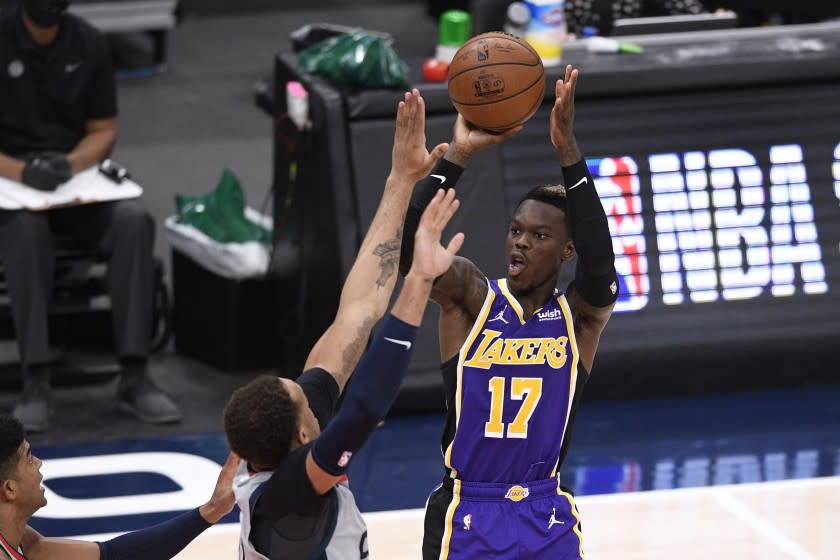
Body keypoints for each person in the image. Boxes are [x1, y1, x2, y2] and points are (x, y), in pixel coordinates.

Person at [223, 90, 458, 559]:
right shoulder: (290, 498)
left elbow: (357, 313)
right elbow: (365, 407)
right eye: (299, 397)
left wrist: (401, 179)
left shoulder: (276, 453)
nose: (305, 390)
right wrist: (417, 284)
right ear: (306, 435)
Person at [398, 65, 618, 559]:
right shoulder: (472, 297)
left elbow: (601, 265)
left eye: (539, 236)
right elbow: (410, 251)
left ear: (567, 251)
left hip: (547, 510)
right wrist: (459, 153)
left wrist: (568, 152)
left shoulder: (578, 320)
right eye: (516, 230)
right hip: (469, 510)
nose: (520, 241)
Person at [0, 0, 180, 432]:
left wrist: (69, 165)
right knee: (25, 230)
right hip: (10, 183)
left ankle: (135, 376)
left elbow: (103, 128)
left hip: (72, 181)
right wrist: (24, 171)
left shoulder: (90, 43)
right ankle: (35, 380)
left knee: (133, 221)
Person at [0, 414, 238, 559]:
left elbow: (115, 555)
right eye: (29, 458)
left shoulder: (23, 540)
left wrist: (212, 510)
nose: (40, 463)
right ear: (9, 489)